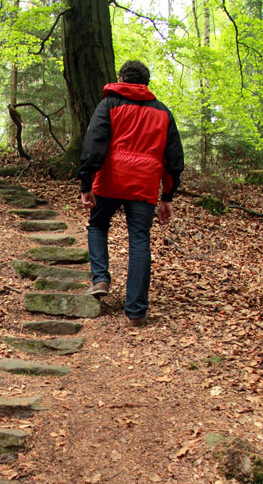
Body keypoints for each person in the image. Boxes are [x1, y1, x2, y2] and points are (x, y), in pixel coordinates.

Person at [78, 60, 184, 327]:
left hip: (111, 179)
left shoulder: (110, 105)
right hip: (144, 184)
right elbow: (173, 158)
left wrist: (86, 183)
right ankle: (136, 311)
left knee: (98, 226)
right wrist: (168, 195)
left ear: (122, 78)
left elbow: (94, 143)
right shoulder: (162, 112)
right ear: (146, 83)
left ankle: (101, 278)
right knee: (139, 240)